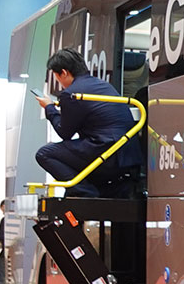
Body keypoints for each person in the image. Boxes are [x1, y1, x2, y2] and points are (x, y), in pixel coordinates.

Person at [35, 49, 136, 193]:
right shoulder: (104, 85)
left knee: (44, 153)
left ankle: (85, 193)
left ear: (64, 73)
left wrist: (49, 107)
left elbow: (64, 132)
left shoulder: (71, 94)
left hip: (106, 152)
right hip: (128, 154)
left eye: (56, 76)